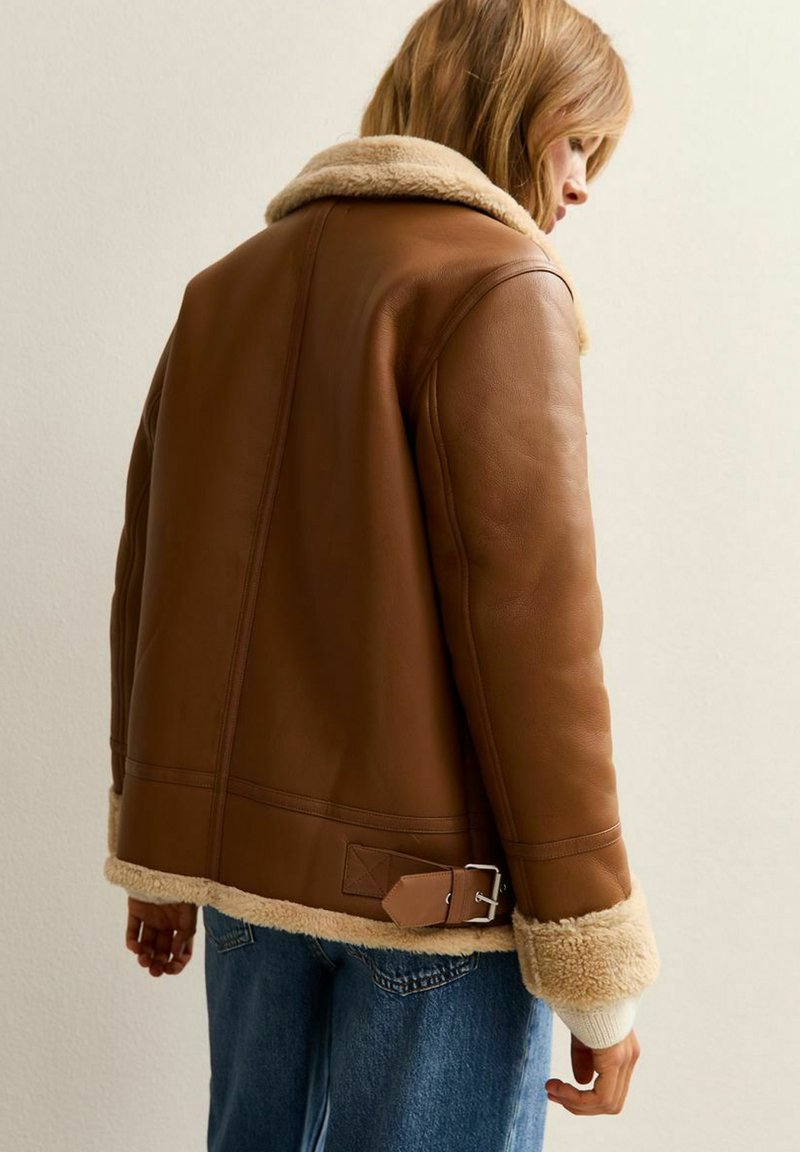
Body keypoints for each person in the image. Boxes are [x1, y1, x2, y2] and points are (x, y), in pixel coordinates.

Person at [104, 1, 661, 1147]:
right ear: (503, 112)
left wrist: (159, 855)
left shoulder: (226, 288)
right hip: (434, 915)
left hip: (251, 899)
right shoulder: (498, 281)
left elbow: (158, 589)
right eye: (571, 141)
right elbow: (534, 648)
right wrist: (597, 975)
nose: (579, 184)